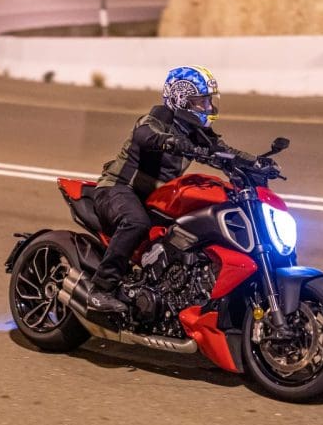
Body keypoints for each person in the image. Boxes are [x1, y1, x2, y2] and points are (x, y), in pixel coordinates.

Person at [87, 65, 256, 313]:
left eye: (209, 101)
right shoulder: (156, 120)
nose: (208, 108)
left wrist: (255, 163)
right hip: (119, 189)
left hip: (156, 200)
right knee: (136, 222)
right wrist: (171, 141)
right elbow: (145, 135)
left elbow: (224, 152)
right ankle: (100, 289)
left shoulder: (196, 132)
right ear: (181, 100)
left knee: (192, 230)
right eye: (201, 102)